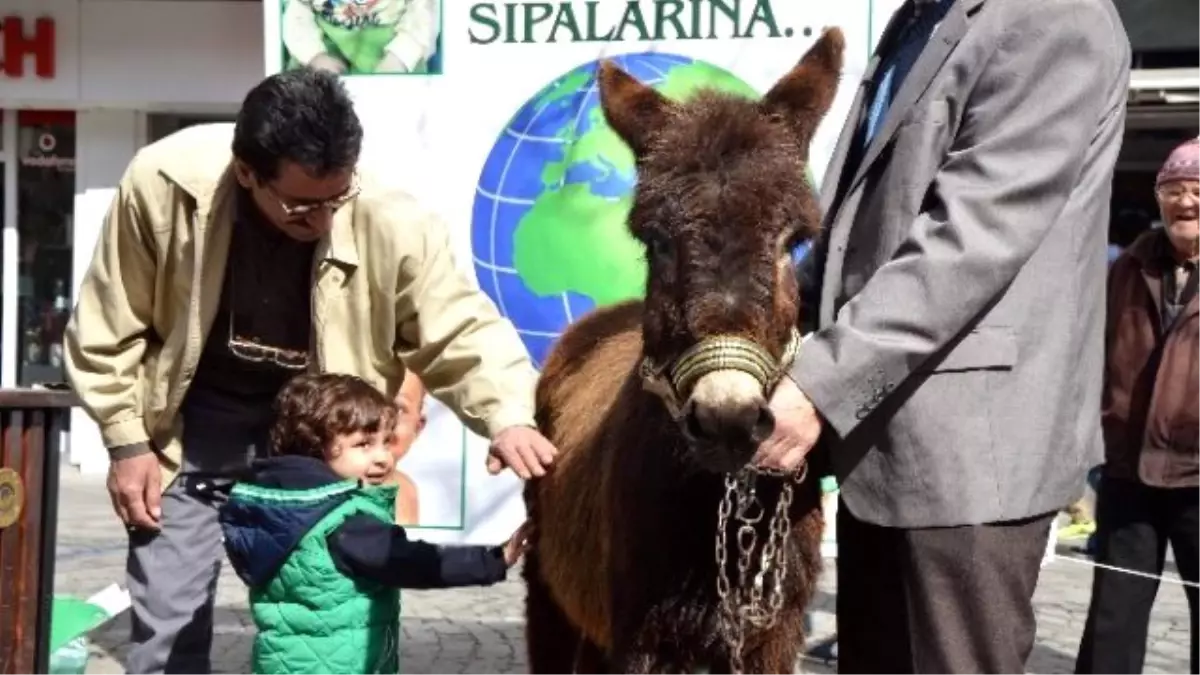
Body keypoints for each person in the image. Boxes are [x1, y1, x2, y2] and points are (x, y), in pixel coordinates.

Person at [63, 67, 555, 674]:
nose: (322, 221)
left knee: (334, 612)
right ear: (247, 173)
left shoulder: (393, 222)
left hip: (318, 445)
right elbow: (107, 325)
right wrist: (126, 440)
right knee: (168, 626)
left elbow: (457, 328)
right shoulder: (163, 184)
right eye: (300, 207)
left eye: (336, 199)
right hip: (192, 427)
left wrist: (506, 415)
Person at [754, 0, 1132, 672]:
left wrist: (818, 382)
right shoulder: (918, 20)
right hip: (881, 439)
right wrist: (763, 319)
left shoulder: (1054, 15)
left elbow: (971, 238)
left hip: (970, 456)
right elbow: (859, 226)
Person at [218, 373, 529, 675]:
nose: (383, 457)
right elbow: (409, 561)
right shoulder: (342, 522)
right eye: (364, 444)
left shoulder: (275, 506)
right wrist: (492, 560)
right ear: (313, 444)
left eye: (386, 441)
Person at [1076, 138, 1200, 675]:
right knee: (1114, 617)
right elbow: (1092, 349)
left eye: (1197, 190)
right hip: (1131, 471)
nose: (1185, 202)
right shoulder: (1129, 266)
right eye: (1173, 190)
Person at [282, 0, 440, 74]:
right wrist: (315, 56)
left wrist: (400, 56)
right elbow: (297, 16)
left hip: (392, 43)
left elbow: (424, 13)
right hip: (327, 43)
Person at [388, 369, 426, 525]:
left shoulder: (405, 489)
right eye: (366, 405)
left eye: (398, 409)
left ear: (418, 428)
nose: (381, 420)